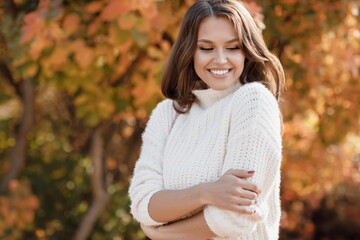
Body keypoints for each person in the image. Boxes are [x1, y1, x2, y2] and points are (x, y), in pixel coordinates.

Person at [128, 0, 285, 239]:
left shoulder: (253, 102)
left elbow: (235, 218)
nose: (220, 59)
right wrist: (207, 193)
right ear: (190, 51)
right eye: (206, 48)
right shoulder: (166, 115)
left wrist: (162, 234)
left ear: (246, 51)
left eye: (232, 48)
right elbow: (143, 204)